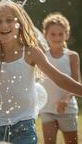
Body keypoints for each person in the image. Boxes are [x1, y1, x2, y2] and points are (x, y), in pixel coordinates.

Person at [0, 1, 82, 144]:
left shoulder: (31, 52)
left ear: (19, 23)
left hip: (24, 125)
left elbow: (59, 78)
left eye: (9, 20)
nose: (4, 25)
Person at [40, 12, 81, 144]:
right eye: (52, 34)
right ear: (45, 34)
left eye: (60, 34)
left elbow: (77, 82)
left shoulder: (72, 56)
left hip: (68, 109)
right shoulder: (41, 56)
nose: (57, 37)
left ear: (67, 35)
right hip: (47, 109)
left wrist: (65, 99)